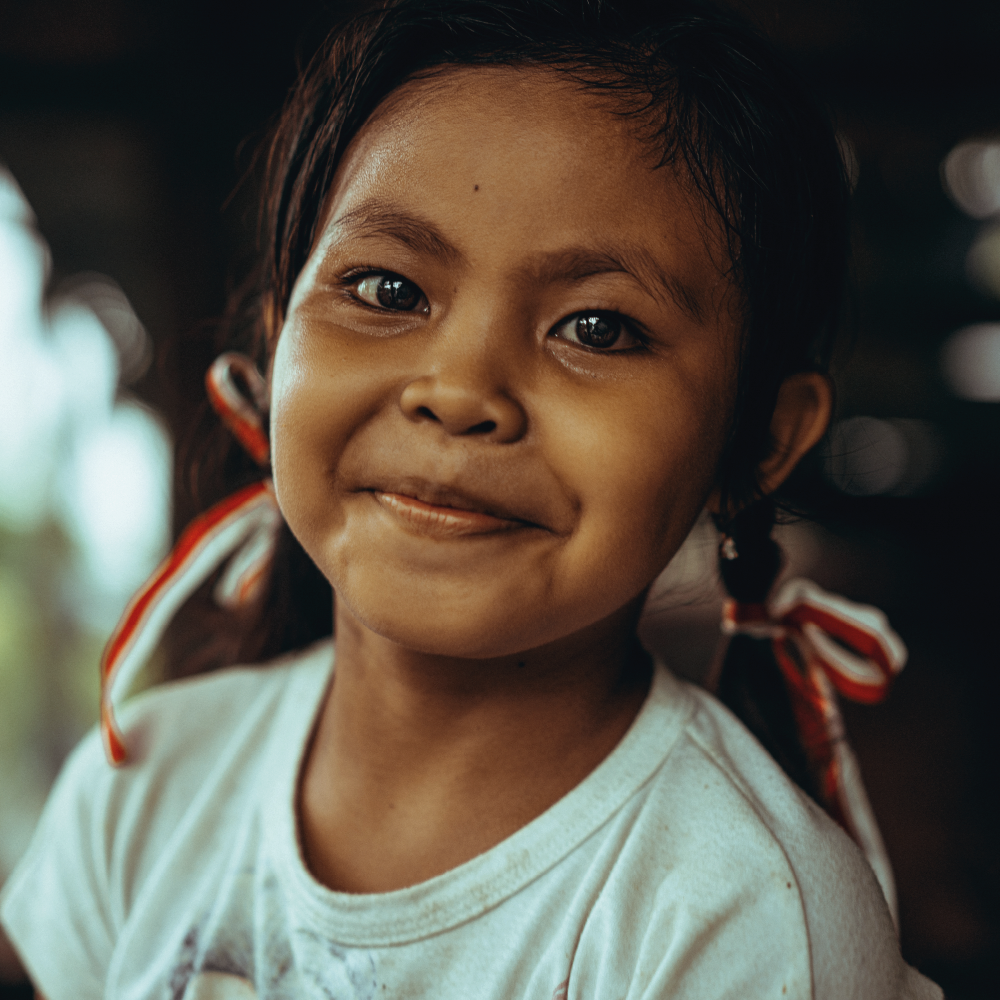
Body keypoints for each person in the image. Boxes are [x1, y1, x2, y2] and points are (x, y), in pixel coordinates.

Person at [0, 1, 943, 997]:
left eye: (597, 327)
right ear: (277, 354)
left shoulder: (738, 914)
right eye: (387, 290)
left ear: (759, 438)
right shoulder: (148, 780)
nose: (459, 392)